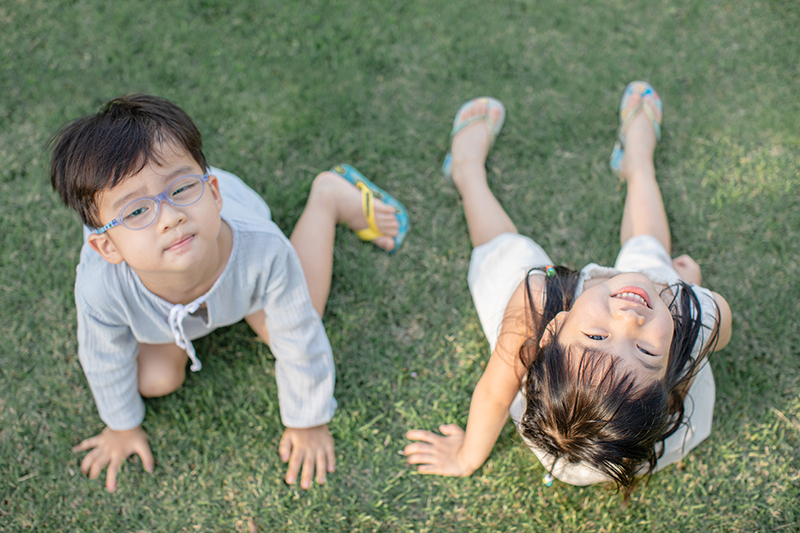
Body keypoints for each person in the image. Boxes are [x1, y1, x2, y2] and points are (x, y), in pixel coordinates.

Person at [49, 94, 409, 493]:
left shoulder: (262, 248)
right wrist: (121, 426)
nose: (170, 217)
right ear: (108, 248)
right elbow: (103, 355)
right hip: (168, 308)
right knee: (155, 379)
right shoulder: (101, 287)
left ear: (213, 192)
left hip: (244, 280)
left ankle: (327, 197)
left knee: (296, 317)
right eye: (136, 212)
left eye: (182, 189)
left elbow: (299, 334)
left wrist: (307, 420)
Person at [404, 83, 732, 493]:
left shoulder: (537, 304)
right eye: (645, 350)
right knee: (648, 257)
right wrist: (686, 295)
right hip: (614, 438)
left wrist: (467, 456)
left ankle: (466, 172)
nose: (629, 321)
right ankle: (638, 163)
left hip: (599, 438)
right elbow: (717, 329)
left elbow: (496, 389)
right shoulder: (691, 317)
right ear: (668, 380)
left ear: (552, 331)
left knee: (508, 254)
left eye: (597, 336)